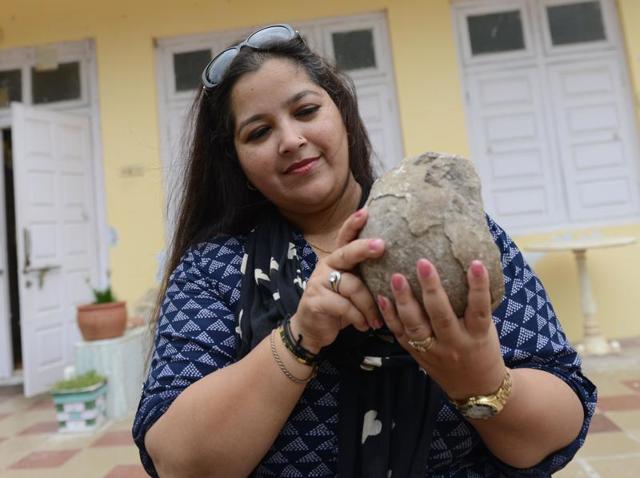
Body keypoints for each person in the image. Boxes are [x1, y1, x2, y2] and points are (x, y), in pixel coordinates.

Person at [133, 23, 596, 477]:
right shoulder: (214, 269)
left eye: (307, 110)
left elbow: (556, 430)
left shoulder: (447, 230)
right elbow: (178, 462)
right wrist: (300, 337)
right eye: (258, 133)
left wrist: (479, 380)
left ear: (343, 112)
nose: (291, 140)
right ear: (237, 163)